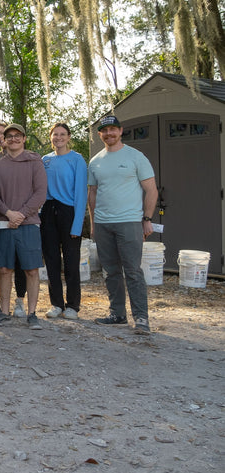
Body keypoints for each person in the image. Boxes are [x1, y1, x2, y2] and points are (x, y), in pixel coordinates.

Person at [88, 115, 157, 335]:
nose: (109, 134)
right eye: (104, 131)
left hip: (129, 222)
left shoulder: (136, 157)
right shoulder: (95, 161)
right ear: (100, 134)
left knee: (133, 271)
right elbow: (93, 193)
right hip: (103, 223)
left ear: (120, 130)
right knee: (110, 272)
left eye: (113, 129)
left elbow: (151, 190)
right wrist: (92, 223)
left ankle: (141, 318)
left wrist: (146, 219)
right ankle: (117, 314)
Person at [0, 123, 48, 329]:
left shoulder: (34, 162)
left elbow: (40, 193)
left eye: (17, 136)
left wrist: (21, 214)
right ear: (4, 140)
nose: (13, 139)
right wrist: (8, 213)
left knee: (31, 270)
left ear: (24, 138)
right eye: (9, 136)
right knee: (4, 269)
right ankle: (4, 312)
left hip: (29, 224)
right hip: (4, 223)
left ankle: (32, 314)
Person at [41, 123, 88, 320]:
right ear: (50, 137)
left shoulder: (76, 160)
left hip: (69, 211)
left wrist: (77, 224)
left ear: (69, 137)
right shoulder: (45, 160)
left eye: (62, 134)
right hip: (48, 212)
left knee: (70, 261)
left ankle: (72, 305)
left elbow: (80, 194)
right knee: (51, 260)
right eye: (55, 134)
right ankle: (56, 304)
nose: (58, 138)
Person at [0, 121, 27, 317]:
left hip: (23, 218)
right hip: (0, 217)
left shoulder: (26, 158)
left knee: (21, 261)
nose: (1, 138)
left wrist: (20, 214)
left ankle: (20, 299)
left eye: (3, 133)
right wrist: (6, 212)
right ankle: (4, 305)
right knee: (2, 263)